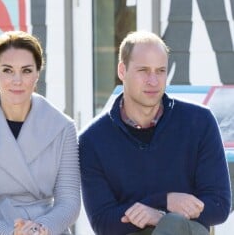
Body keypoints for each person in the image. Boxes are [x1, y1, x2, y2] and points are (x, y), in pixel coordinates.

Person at [79, 31, 231, 235]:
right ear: (122, 71)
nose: (154, 81)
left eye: (160, 71)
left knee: (174, 225)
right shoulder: (93, 139)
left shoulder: (199, 122)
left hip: (185, 232)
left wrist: (160, 215)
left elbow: (219, 206)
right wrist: (165, 201)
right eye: (143, 70)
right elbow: (103, 222)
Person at [0, 30, 81, 235]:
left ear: (38, 73)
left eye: (27, 70)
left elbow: (70, 202)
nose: (17, 80)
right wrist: (9, 233)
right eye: (8, 70)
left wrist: (40, 229)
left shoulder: (62, 127)